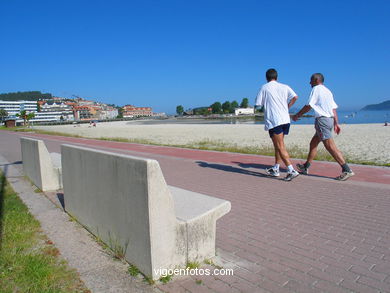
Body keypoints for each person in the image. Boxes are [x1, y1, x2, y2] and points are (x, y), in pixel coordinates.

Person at [292, 73, 355, 181]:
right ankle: (305, 167)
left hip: (322, 121)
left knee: (330, 146)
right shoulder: (328, 91)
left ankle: (347, 170)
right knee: (313, 143)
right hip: (329, 119)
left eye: (311, 80)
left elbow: (309, 105)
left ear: (316, 80)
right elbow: (333, 108)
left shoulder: (316, 89)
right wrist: (336, 123)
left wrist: (297, 115)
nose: (309, 83)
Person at [255, 68, 300, 181]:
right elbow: (295, 97)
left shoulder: (264, 87)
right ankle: (276, 168)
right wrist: (287, 107)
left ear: (266, 77)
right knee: (278, 145)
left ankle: (291, 170)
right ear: (277, 77)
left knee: (280, 146)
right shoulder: (284, 86)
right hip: (285, 119)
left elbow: (258, 104)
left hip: (274, 120)